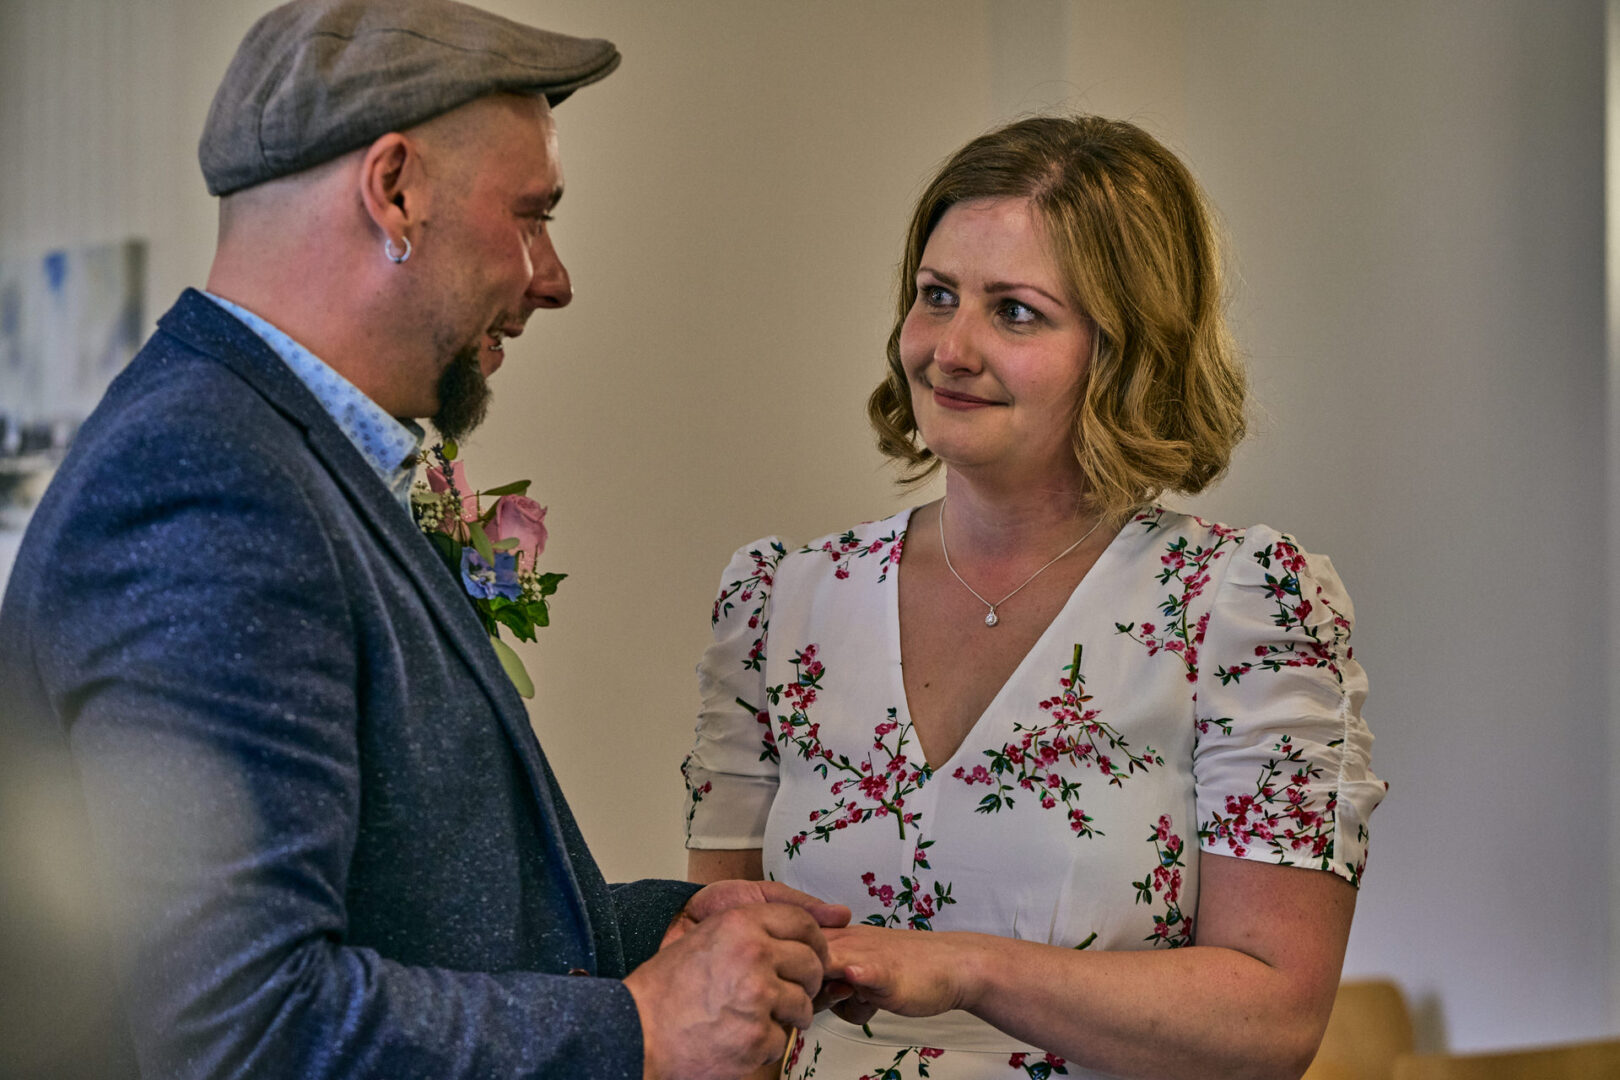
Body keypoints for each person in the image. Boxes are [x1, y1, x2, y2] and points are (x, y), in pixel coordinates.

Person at [0, 1, 850, 1078]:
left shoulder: (284, 453)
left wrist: (657, 935)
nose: (553, 277)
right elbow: (246, 1029)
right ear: (395, 190)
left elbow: (408, 908)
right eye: (532, 216)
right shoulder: (206, 480)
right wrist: (638, 1029)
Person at [683, 115, 1387, 1080]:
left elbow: (1275, 1021)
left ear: (1126, 349)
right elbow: (716, 978)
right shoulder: (780, 605)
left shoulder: (1244, 610)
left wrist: (966, 967)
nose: (950, 348)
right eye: (936, 296)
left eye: (1015, 311)